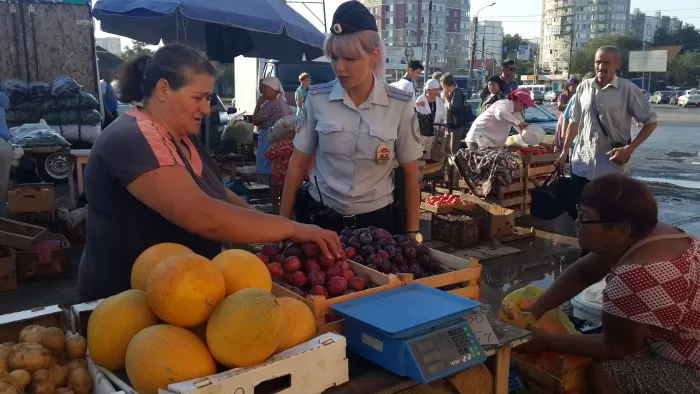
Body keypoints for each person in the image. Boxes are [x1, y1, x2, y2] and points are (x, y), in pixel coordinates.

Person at [78, 44, 340, 302]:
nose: (206, 109)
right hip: (132, 306)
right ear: (163, 89)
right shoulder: (133, 138)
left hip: (186, 295)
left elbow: (219, 194)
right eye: (198, 98)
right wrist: (291, 229)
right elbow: (202, 215)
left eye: (207, 98)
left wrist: (266, 230)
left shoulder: (179, 135)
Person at [518, 175, 700, 394]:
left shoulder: (635, 276)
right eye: (579, 211)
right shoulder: (654, 232)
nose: (576, 223)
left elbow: (618, 348)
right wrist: (537, 308)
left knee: (604, 372)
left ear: (622, 230)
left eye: (585, 217)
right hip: (684, 334)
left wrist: (544, 340)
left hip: (691, 366)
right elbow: (584, 271)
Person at [280, 1, 423, 238]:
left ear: (373, 56)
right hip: (319, 221)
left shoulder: (399, 104)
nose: (340, 68)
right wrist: (282, 226)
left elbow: (410, 172)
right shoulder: (317, 99)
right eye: (334, 58)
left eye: (350, 58)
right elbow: (297, 164)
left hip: (376, 227)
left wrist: (413, 233)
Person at [555, 46, 658, 221]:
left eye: (606, 62)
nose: (601, 66)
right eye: (598, 62)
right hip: (581, 164)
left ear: (617, 64)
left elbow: (651, 121)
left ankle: (606, 248)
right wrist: (564, 152)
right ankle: (587, 247)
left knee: (609, 216)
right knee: (578, 212)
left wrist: (629, 149)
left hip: (610, 168)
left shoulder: (628, 89)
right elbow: (574, 122)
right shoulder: (584, 88)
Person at [253, 77, 293, 185]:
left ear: (273, 89)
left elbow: (255, 120)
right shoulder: (282, 101)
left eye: (265, 88)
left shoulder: (270, 104)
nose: (263, 91)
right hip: (278, 140)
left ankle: (266, 185)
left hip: (268, 138)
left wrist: (258, 105)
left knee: (266, 164)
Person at [464, 88, 534, 150]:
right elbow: (501, 113)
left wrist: (536, 141)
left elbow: (523, 129)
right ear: (518, 100)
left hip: (491, 143)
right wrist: (518, 123)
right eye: (525, 105)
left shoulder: (517, 113)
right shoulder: (503, 104)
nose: (525, 108)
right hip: (479, 140)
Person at [415, 78, 447, 179]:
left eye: (437, 90)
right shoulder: (420, 100)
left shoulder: (439, 101)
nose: (437, 92)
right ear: (428, 90)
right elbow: (416, 116)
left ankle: (429, 177)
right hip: (422, 134)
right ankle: (421, 178)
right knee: (421, 156)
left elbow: (443, 116)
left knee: (432, 158)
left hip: (435, 133)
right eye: (434, 90)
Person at [441, 72, 473, 153]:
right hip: (450, 125)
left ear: (446, 84)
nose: (441, 86)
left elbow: (451, 107)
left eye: (442, 84)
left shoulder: (456, 92)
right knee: (448, 149)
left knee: (453, 150)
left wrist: (446, 98)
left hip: (456, 126)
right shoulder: (450, 93)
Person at [553, 77, 579, 153]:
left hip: (573, 120)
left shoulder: (577, 96)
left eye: (577, 86)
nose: (575, 88)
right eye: (573, 86)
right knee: (563, 139)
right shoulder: (563, 95)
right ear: (568, 86)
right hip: (564, 119)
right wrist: (571, 103)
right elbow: (560, 107)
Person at [0, 91, 13, 218]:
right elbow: (6, 101)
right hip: (3, 145)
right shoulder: (2, 98)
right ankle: (4, 228)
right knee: (2, 191)